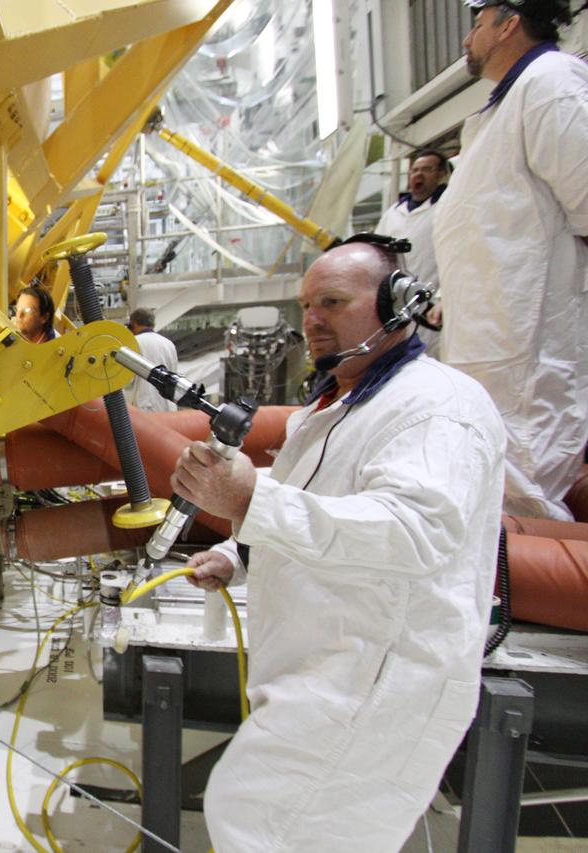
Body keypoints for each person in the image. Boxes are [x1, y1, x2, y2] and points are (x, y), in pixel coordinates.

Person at [174, 241, 505, 852]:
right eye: (306, 305)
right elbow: (322, 496)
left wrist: (250, 501)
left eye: (332, 301)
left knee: (264, 825)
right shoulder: (341, 407)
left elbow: (412, 530)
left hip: (377, 681)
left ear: (399, 302)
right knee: (252, 815)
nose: (313, 320)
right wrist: (237, 553)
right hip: (329, 669)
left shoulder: (438, 408)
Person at [433, 0, 587, 520]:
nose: (466, 38)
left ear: (509, 24)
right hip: (487, 338)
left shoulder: (552, 84)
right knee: (489, 482)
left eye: (476, 24)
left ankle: (530, 599)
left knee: (525, 489)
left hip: (527, 343)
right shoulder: (504, 104)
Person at [375, 148, 449, 286]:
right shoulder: (393, 212)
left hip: (432, 296)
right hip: (396, 295)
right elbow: (376, 252)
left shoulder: (448, 206)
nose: (419, 174)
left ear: (441, 174)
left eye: (427, 169)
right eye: (415, 170)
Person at [124, 307, 178, 412]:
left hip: (143, 408)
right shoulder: (168, 343)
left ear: (133, 324)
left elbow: (127, 380)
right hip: (168, 408)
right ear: (153, 324)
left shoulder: (133, 343)